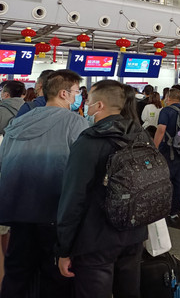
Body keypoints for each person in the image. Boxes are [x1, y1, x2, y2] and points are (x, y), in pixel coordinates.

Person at [56, 80, 148, 297]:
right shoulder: (140, 136)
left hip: (97, 239)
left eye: (88, 100)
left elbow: (74, 197)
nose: (85, 104)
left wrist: (64, 248)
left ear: (99, 106)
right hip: (134, 233)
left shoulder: (89, 141)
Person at [0, 70, 88, 296]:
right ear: (63, 94)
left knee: (17, 274)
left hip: (18, 213)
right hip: (55, 213)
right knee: (55, 278)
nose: (78, 96)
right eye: (76, 92)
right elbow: (84, 170)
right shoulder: (75, 123)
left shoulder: (18, 122)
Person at [154, 87, 180, 220]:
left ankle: (164, 208)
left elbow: (161, 130)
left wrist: (154, 148)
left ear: (168, 97)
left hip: (168, 150)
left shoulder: (166, 111)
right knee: (179, 181)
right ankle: (175, 210)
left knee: (166, 180)